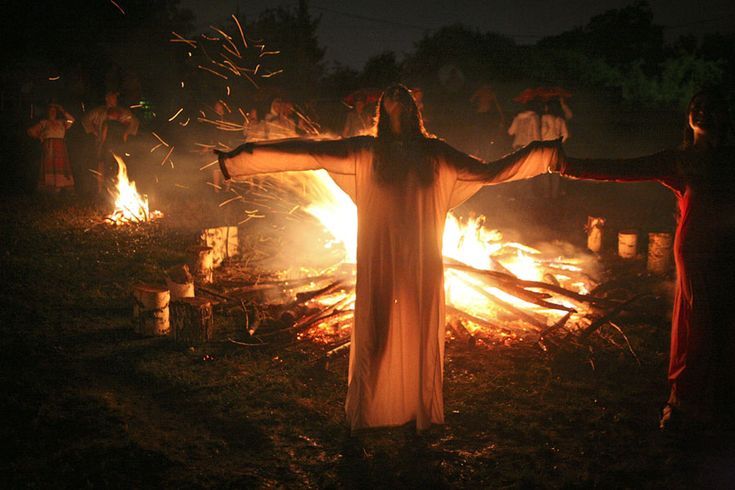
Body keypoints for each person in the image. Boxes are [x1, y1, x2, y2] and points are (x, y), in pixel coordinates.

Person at [216, 84, 562, 432]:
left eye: (403, 103)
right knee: (377, 331)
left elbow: (489, 172)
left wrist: (541, 156)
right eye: (390, 103)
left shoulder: (434, 153)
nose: (397, 107)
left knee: (419, 327)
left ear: (413, 112)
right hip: (380, 253)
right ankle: (371, 409)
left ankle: (416, 409)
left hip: (421, 256)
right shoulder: (368, 152)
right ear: (382, 113)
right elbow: (310, 152)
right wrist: (243, 158)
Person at [558, 89, 735, 432]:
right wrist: (571, 167)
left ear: (725, 117)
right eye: (696, 107)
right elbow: (624, 169)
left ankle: (720, 403)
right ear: (688, 117)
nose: (701, 112)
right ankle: (686, 403)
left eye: (710, 108)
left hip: (728, 250)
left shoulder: (729, 160)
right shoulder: (682, 160)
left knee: (725, 322)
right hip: (696, 252)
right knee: (696, 325)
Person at [81, 91, 139, 194]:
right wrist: (94, 132)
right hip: (103, 143)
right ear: (107, 98)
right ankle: (100, 190)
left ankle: (116, 189)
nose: (114, 100)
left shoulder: (122, 112)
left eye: (115, 98)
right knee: (101, 165)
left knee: (118, 165)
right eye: (112, 98)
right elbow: (86, 120)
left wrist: (126, 133)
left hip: (118, 144)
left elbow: (134, 121)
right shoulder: (99, 112)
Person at [27, 102, 76, 192]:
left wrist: (62, 110)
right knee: (50, 166)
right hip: (49, 146)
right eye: (50, 111)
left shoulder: (62, 122)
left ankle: (61, 186)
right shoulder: (44, 123)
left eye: (54, 111)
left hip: (60, 147)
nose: (52, 112)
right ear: (47, 112)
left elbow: (72, 120)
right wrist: (40, 137)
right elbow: (31, 131)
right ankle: (50, 187)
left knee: (60, 166)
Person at [540, 98, 570, 199]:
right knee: (555, 171)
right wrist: (559, 142)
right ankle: (554, 194)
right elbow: (565, 134)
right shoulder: (560, 119)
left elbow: (543, 132)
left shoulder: (544, 117)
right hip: (557, 147)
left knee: (545, 170)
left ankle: (546, 194)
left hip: (546, 146)